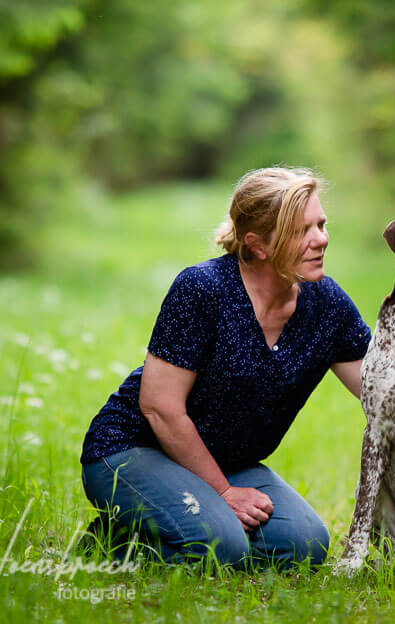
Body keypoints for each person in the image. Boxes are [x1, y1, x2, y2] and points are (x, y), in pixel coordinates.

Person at [79, 167, 370, 570]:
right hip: (132, 449)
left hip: (228, 461)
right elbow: (160, 407)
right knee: (223, 547)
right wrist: (223, 493)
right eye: (302, 230)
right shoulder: (203, 289)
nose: (320, 239)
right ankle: (114, 544)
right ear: (258, 245)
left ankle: (181, 530)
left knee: (305, 547)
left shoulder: (327, 304)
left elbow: (379, 387)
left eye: (321, 224)